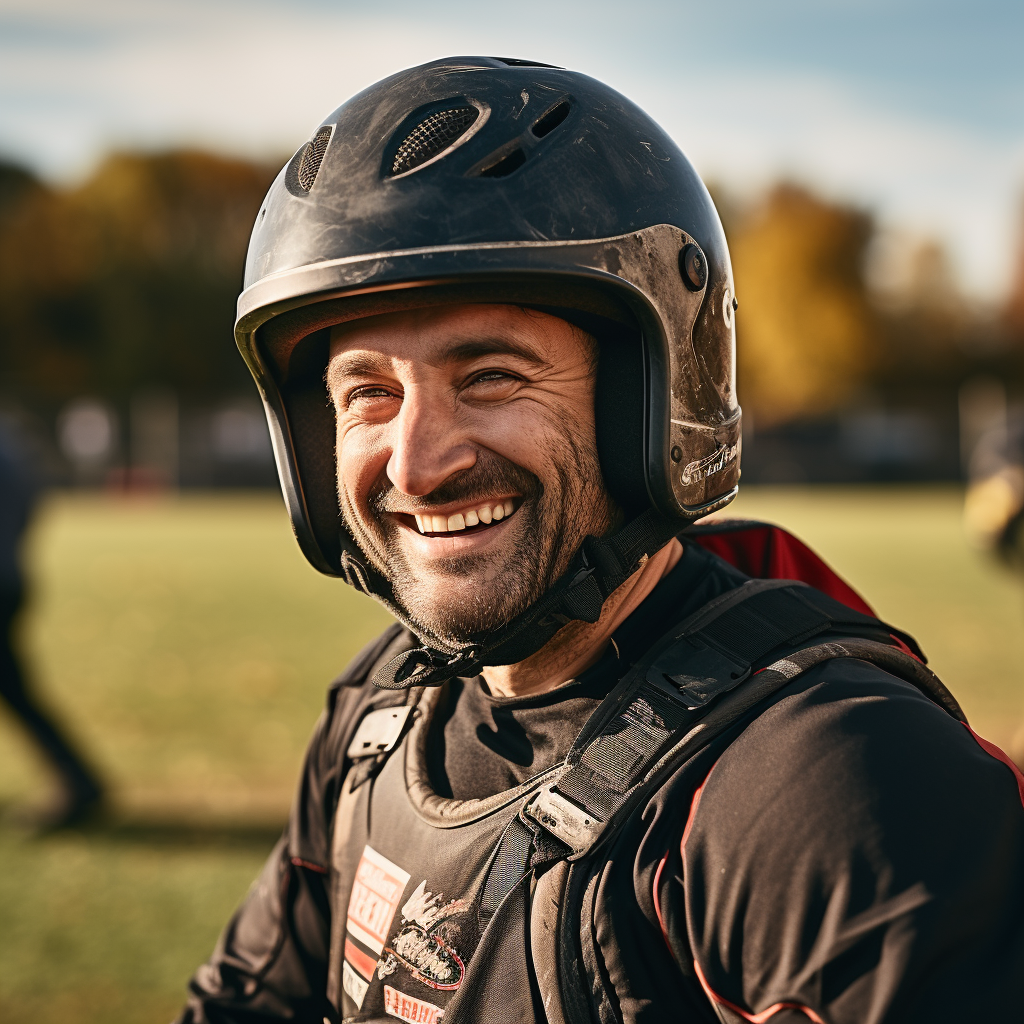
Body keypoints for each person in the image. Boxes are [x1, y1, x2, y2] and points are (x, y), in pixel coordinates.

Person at [179, 58, 1024, 1023]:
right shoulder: (379, 722)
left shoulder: (834, 788)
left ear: (649, 407)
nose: (416, 466)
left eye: (490, 375)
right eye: (368, 393)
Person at [0, 421, 104, 828]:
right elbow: (32, 499)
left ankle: (80, 782)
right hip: (9, 579)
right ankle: (79, 781)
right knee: (14, 688)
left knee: (14, 689)